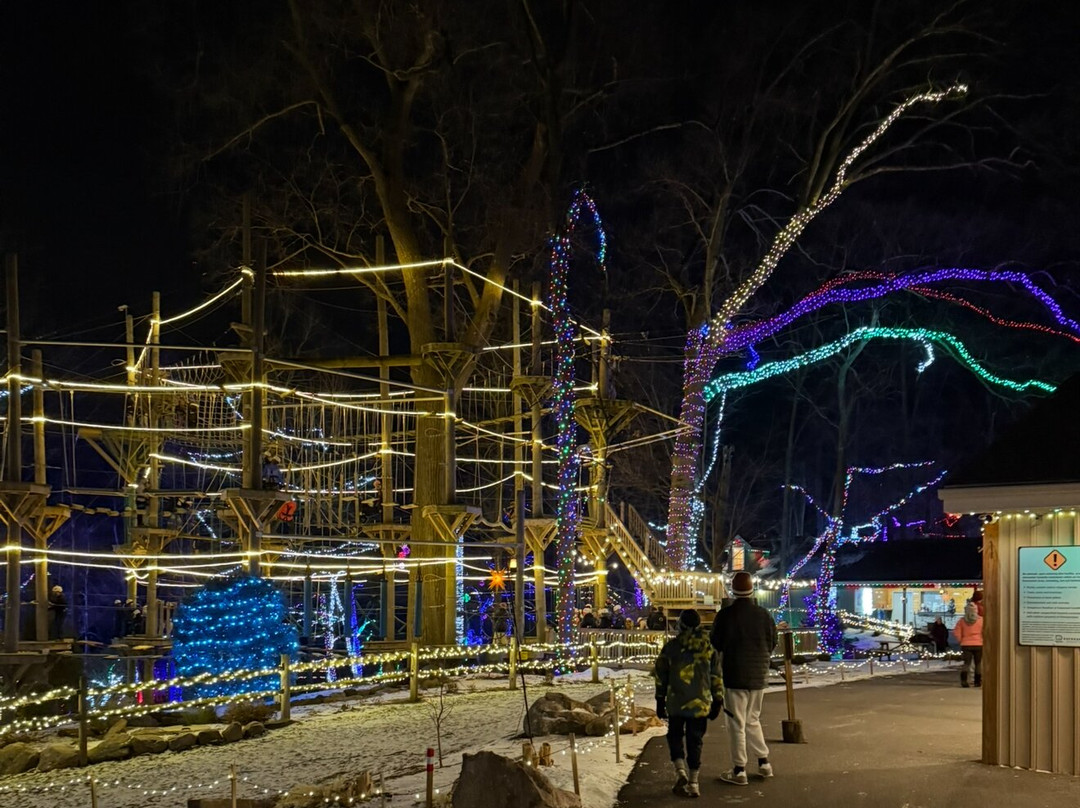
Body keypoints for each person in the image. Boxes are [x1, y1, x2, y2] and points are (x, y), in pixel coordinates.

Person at [710, 571, 777, 786]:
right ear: (752, 589)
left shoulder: (725, 615)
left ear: (732, 589)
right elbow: (772, 641)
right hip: (759, 675)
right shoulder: (764, 615)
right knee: (753, 719)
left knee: (736, 723)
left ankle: (739, 769)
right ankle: (764, 763)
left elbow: (716, 643)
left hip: (734, 675)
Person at [654, 609, 724, 798]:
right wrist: (718, 700)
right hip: (699, 703)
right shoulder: (708, 648)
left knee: (675, 736)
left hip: (676, 702)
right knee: (695, 741)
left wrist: (660, 699)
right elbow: (716, 676)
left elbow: (661, 676)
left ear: (680, 624)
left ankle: (680, 771)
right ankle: (694, 782)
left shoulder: (671, 648)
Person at [953, 601, 983, 687]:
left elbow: (956, 632)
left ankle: (964, 681)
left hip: (966, 644)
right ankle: (978, 682)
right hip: (979, 644)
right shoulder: (981, 620)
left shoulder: (962, 621)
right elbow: (985, 631)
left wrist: (961, 640)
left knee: (966, 663)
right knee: (978, 664)